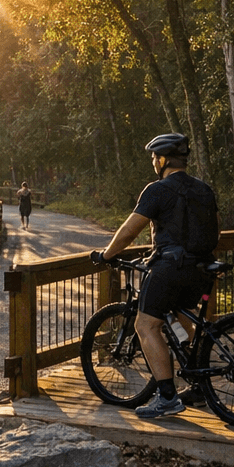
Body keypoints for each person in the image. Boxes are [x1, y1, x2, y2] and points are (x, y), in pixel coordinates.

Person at [92, 134, 220, 419]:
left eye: (154, 158)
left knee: (146, 325)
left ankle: (167, 398)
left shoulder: (157, 190)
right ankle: (200, 384)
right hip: (202, 268)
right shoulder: (204, 190)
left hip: (170, 268)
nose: (153, 162)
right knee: (188, 318)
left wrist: (106, 255)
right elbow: (215, 230)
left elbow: (128, 231)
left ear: (162, 160)